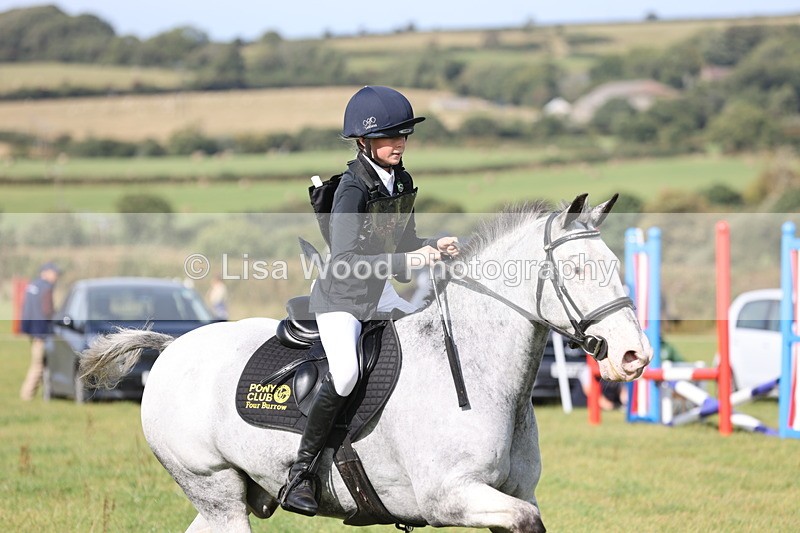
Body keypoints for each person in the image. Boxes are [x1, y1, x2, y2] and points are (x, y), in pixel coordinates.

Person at [280, 86, 459, 516]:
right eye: (389, 137)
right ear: (364, 142)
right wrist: (409, 256)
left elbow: (406, 243)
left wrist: (435, 245)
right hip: (341, 301)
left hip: (380, 296)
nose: (398, 143)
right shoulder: (351, 191)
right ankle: (300, 474)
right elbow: (343, 261)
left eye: (403, 135)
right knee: (345, 375)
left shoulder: (402, 180)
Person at [19, 262, 61, 401]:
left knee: (42, 362)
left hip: (32, 331)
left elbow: (25, 310)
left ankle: (50, 392)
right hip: (42, 333)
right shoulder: (46, 288)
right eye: (55, 274)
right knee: (38, 365)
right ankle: (26, 395)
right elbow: (48, 311)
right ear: (46, 272)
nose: (56, 277)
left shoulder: (32, 286)